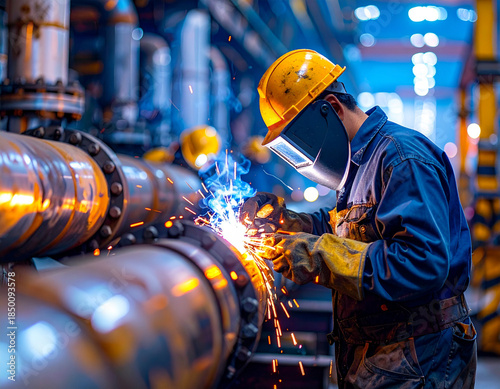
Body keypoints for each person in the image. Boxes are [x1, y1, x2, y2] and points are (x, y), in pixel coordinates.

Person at [240, 49, 477, 388]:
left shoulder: (400, 157)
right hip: (380, 353)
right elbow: (350, 231)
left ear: (331, 109)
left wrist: (314, 254)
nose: (302, 157)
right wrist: (286, 222)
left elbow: (422, 262)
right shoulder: (359, 164)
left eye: (299, 141)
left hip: (418, 357)